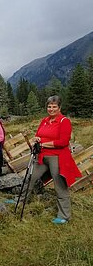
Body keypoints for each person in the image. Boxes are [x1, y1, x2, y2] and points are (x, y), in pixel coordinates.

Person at [20, 96, 81, 224]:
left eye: (54, 107)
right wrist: (36, 139)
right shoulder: (44, 121)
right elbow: (39, 136)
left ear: (59, 108)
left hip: (57, 157)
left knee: (60, 185)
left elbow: (63, 142)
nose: (51, 109)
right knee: (30, 178)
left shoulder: (64, 121)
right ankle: (20, 201)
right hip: (42, 156)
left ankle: (64, 216)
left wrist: (43, 143)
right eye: (49, 106)